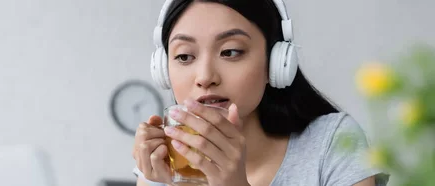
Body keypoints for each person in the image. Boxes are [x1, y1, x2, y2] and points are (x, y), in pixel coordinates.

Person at [131, 0, 390, 185]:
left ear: (277, 63)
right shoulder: (164, 164)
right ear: (163, 70)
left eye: (231, 51)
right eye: (185, 56)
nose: (205, 77)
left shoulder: (331, 142)